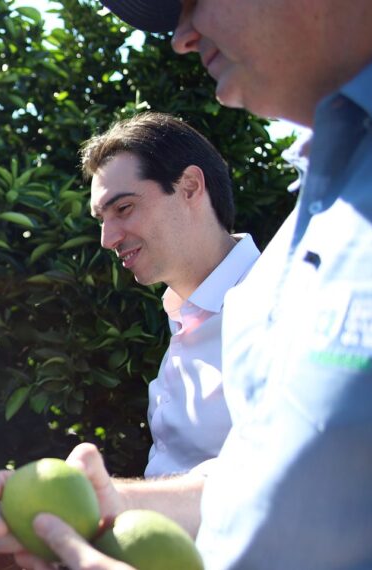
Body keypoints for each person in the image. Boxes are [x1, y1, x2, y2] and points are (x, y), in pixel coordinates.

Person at [0, 0, 372, 568]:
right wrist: (115, 502)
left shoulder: (262, 295)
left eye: (123, 207)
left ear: (191, 187)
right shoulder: (305, 238)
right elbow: (264, 486)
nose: (181, 36)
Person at [81, 112, 259, 478]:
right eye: (102, 219)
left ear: (190, 186)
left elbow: (271, 482)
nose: (107, 238)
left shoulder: (278, 309)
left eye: (124, 208)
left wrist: (117, 501)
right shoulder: (186, 313)